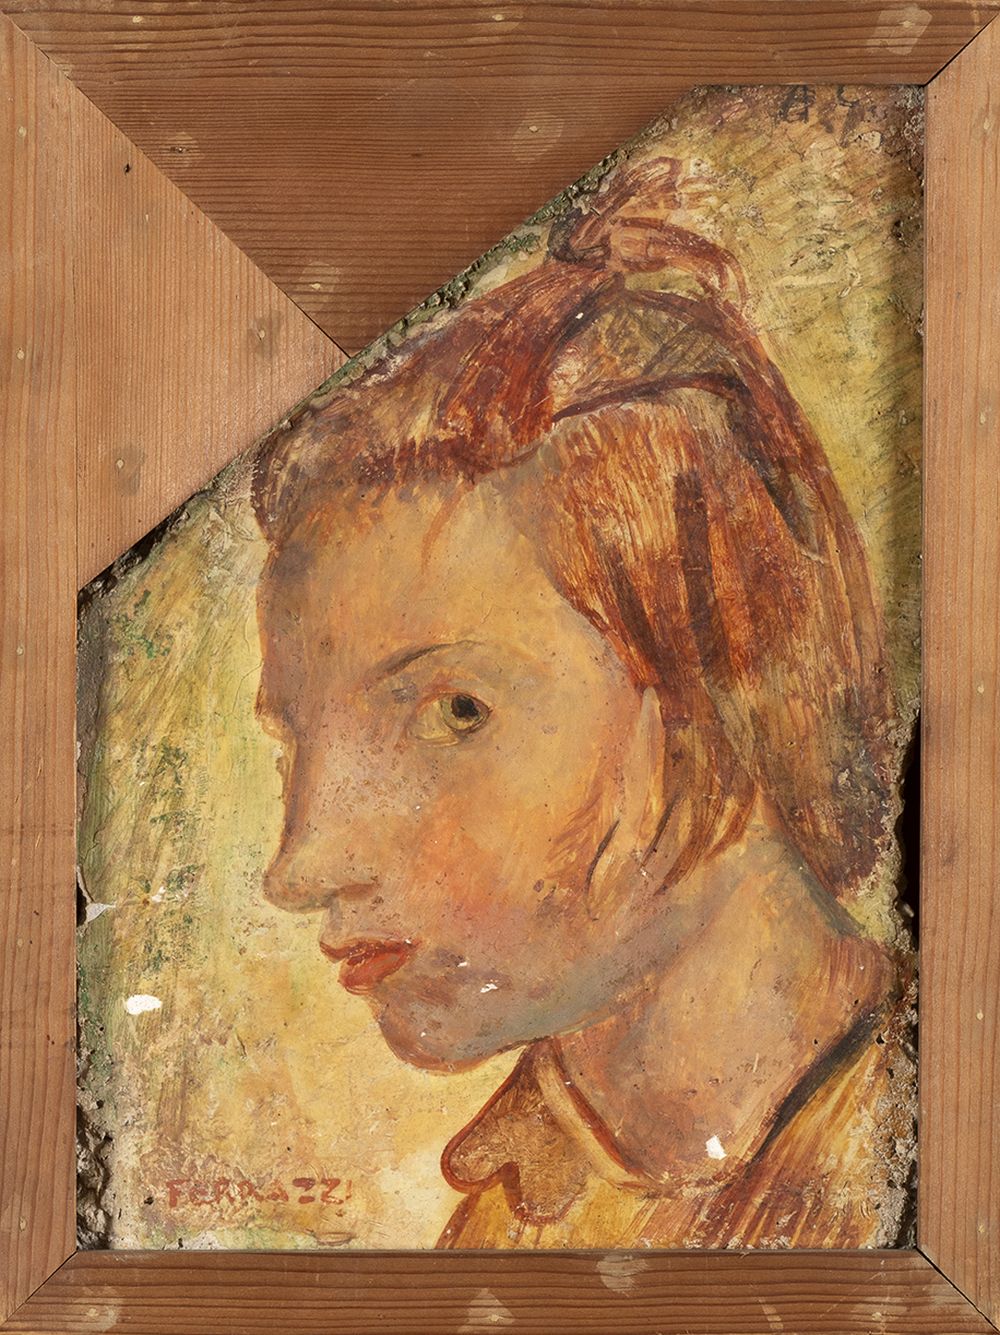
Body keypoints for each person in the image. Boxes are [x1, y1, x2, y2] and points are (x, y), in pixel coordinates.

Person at [251, 155, 913, 1249]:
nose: (300, 866)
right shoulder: (505, 1225)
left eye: (456, 712)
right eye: (294, 750)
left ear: (710, 692)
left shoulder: (923, 1153)